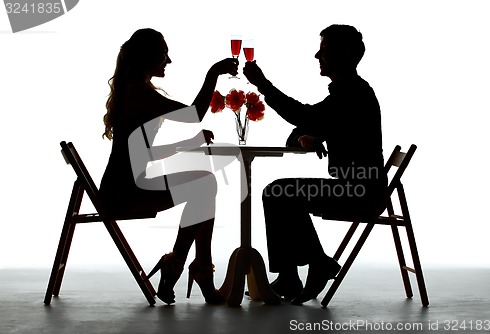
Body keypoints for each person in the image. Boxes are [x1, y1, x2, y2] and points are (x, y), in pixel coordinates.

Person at [243, 24, 387, 305]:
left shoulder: (352, 94)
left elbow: (303, 115)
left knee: (279, 193)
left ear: (344, 54)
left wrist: (263, 85)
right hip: (356, 187)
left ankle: (309, 266)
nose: (317, 55)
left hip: (360, 192)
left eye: (324, 49)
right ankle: (296, 272)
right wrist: (309, 135)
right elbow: (306, 123)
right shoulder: (348, 93)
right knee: (279, 192)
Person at [99, 28, 238, 305]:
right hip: (124, 193)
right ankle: (189, 265)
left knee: (205, 184)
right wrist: (213, 73)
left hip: (127, 185)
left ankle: (193, 264)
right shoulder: (136, 93)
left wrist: (188, 144)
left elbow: (143, 153)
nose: (169, 61)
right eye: (164, 54)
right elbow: (194, 114)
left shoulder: (136, 91)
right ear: (146, 56)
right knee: (205, 184)